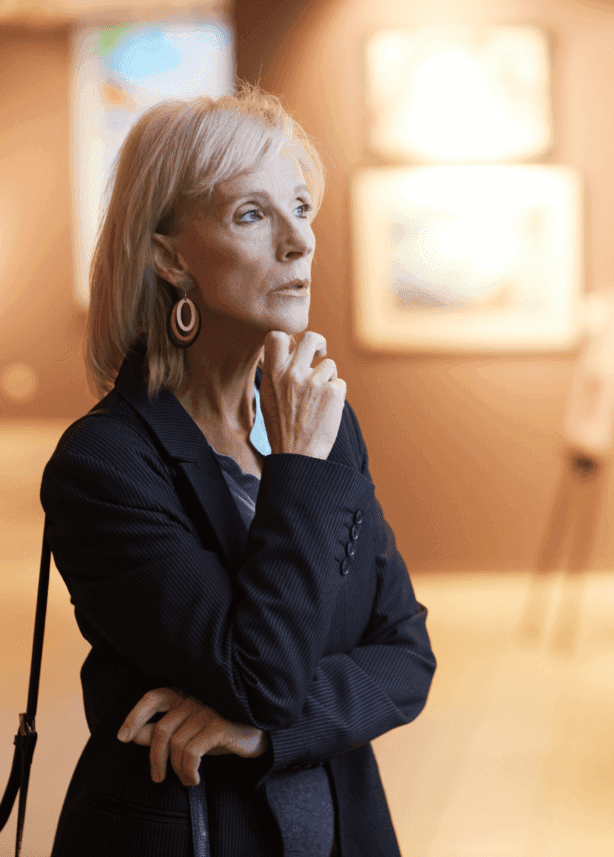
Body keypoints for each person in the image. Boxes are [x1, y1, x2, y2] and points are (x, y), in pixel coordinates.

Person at [39, 83, 436, 857]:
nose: (299, 240)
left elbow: (406, 656)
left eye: (301, 208)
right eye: (252, 214)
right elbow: (263, 677)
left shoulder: (322, 420)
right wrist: (295, 469)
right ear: (169, 256)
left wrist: (260, 736)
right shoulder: (104, 466)